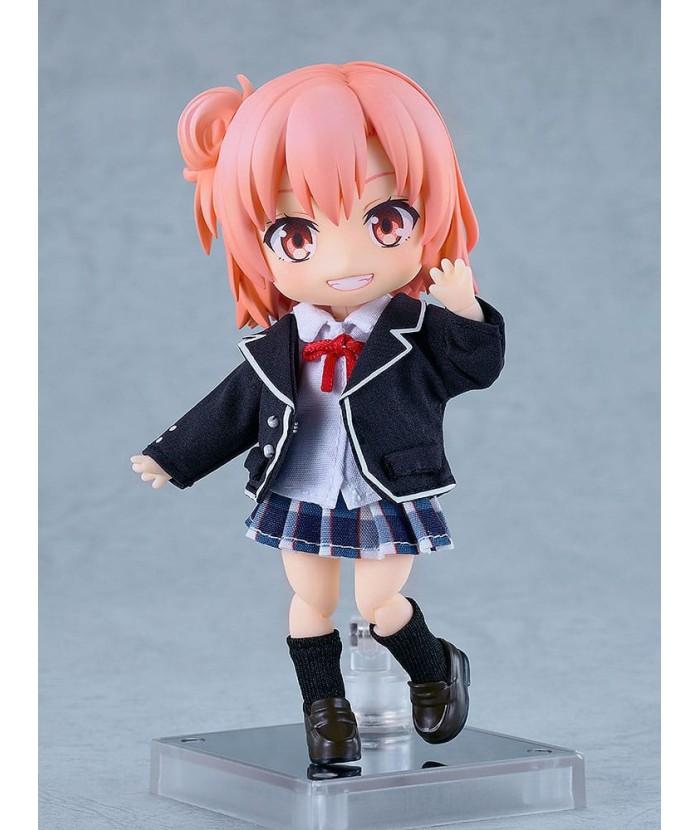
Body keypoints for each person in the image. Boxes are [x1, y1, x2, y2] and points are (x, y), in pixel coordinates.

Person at [131, 62, 505, 766]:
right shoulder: (282, 344)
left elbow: (474, 369)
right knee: (308, 600)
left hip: (384, 482)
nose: (343, 256)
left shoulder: (413, 331)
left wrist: (463, 311)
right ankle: (325, 710)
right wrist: (172, 454)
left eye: (385, 221)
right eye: (298, 236)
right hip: (300, 482)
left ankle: (433, 669)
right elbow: (232, 407)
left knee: (382, 600)